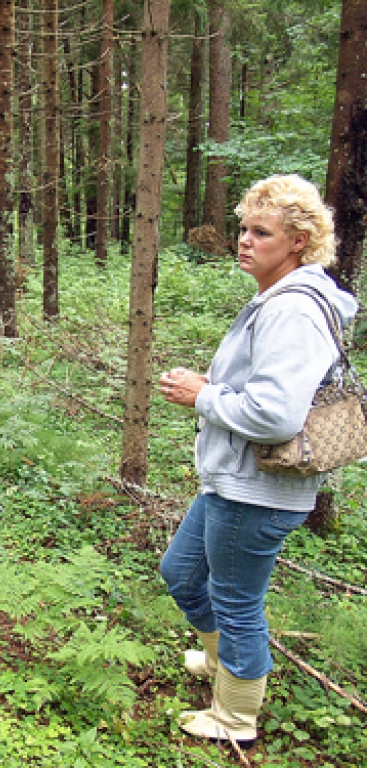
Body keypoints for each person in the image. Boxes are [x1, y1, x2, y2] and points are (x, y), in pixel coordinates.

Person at [158, 175, 356, 746]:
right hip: (235, 478)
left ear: (298, 241)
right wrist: (212, 385)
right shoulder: (277, 298)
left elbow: (276, 415)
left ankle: (235, 716)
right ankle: (225, 664)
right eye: (243, 228)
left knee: (237, 601)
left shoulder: (292, 310)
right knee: (181, 573)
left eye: (260, 231)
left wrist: (202, 396)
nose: (244, 240)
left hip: (258, 487)